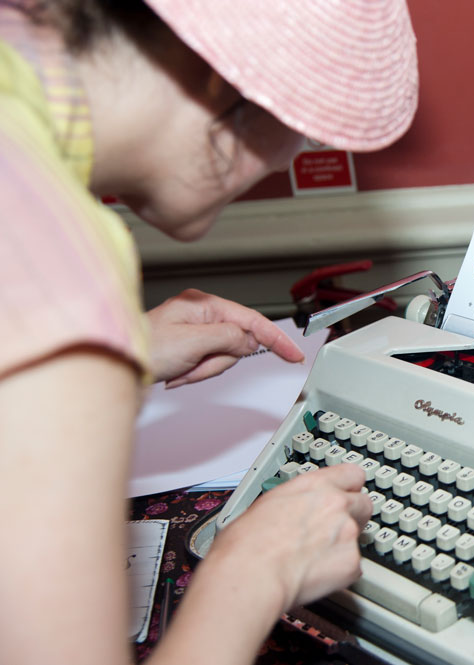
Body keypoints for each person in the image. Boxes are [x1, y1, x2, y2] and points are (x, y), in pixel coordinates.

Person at [0, 1, 418, 663]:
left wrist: (110, 349)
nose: (289, 162)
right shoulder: (56, 255)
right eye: (307, 130)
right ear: (238, 79)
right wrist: (256, 569)